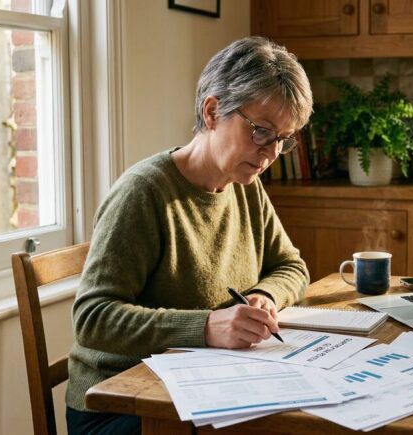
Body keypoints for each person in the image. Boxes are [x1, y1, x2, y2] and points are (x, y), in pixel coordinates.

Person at [65, 36, 313, 435]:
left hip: (204, 384)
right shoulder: (143, 192)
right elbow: (93, 318)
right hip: (122, 404)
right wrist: (206, 327)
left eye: (283, 139)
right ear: (212, 111)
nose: (270, 153)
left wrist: (267, 296)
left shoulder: (245, 184)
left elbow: (291, 266)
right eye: (262, 131)